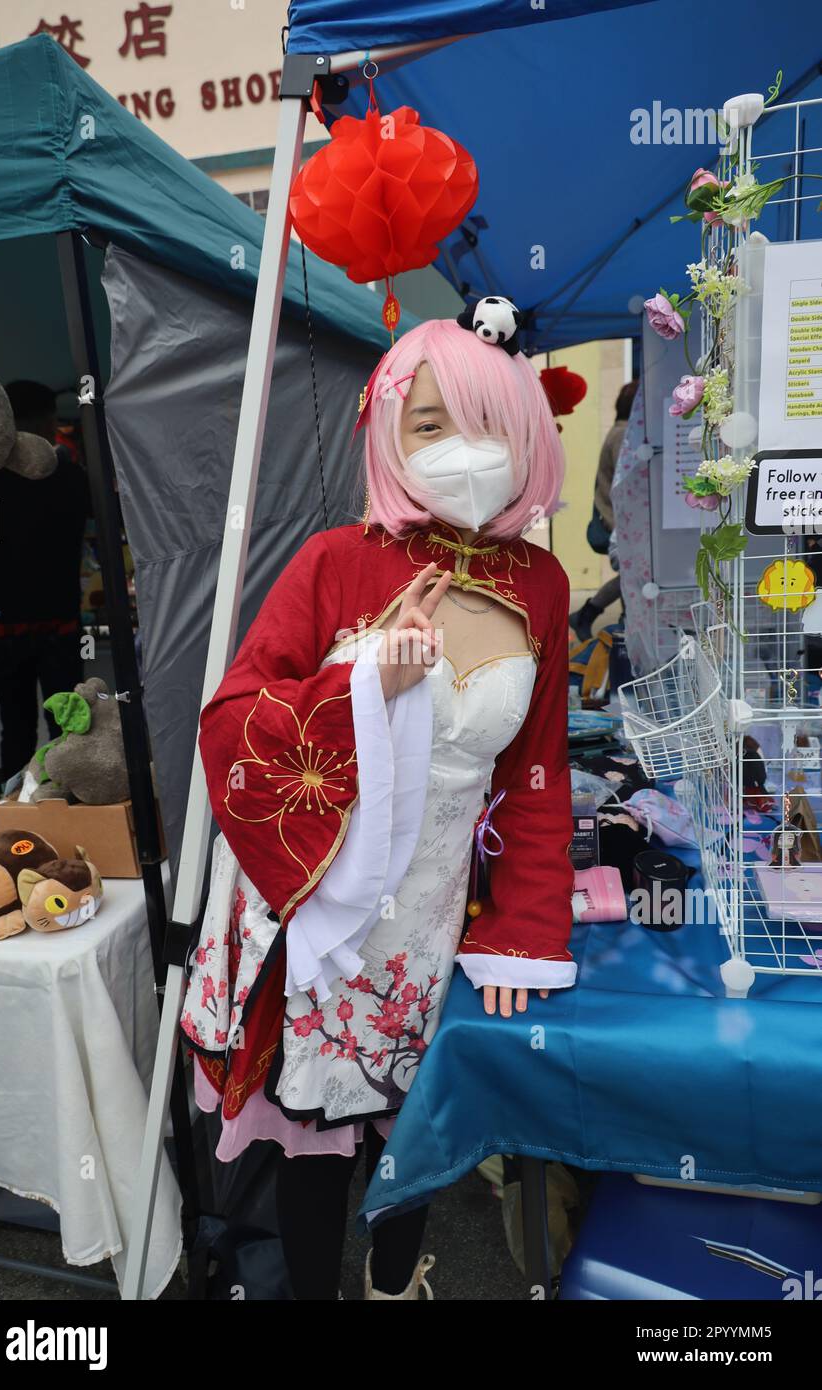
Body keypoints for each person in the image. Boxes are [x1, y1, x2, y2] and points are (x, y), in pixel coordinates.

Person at [182, 310, 575, 1300]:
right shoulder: (334, 561)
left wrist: (526, 929)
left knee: (412, 1112)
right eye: (431, 424)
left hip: (440, 900)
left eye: (486, 423)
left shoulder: (542, 584)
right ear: (388, 435)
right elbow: (232, 716)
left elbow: (536, 772)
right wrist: (361, 690)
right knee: (318, 1123)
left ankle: (399, 1282)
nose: (464, 450)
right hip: (324, 886)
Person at [0, 381, 89, 779]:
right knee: (69, 728)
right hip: (61, 627)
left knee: (15, 729)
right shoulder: (71, 480)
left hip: (4, 628)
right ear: (50, 423)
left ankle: (9, 812)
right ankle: (72, 808)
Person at [570, 379, 638, 642]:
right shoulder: (623, 435)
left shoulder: (618, 431)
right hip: (619, 518)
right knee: (634, 574)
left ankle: (589, 613)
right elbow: (629, 480)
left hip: (615, 515)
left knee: (632, 574)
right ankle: (591, 612)